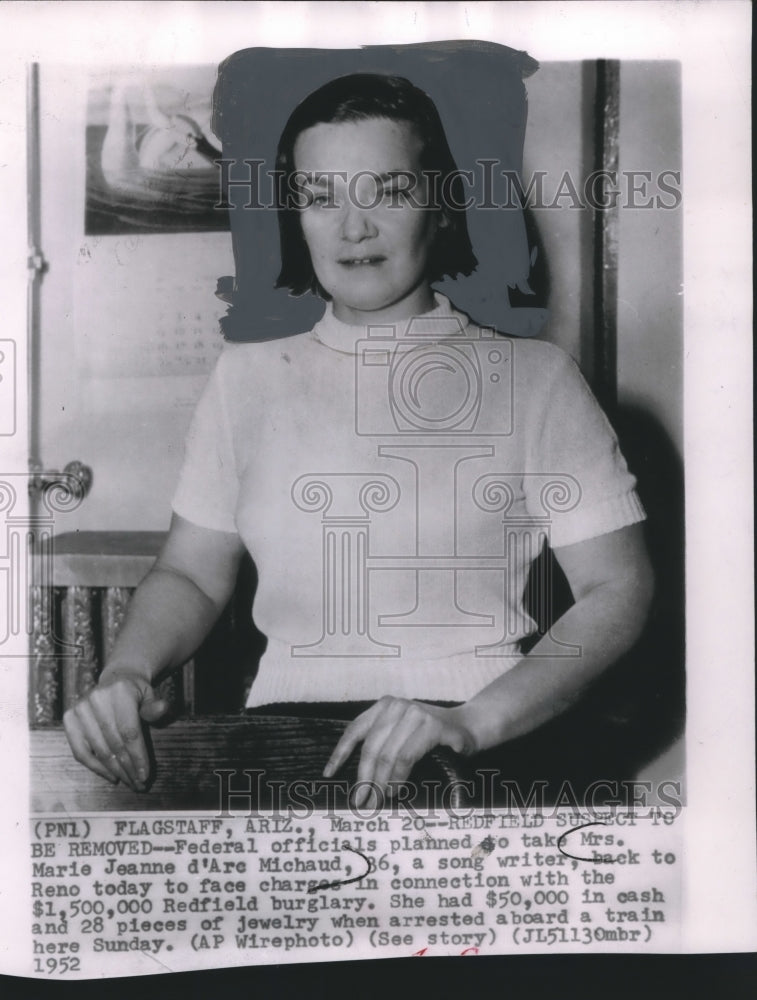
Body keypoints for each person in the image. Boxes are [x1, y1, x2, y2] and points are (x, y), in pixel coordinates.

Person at [64, 73, 653, 804]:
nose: (352, 226)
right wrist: (125, 671)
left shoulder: (534, 379)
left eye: (388, 191)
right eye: (321, 197)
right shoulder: (246, 379)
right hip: (281, 749)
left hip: (474, 750)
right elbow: (191, 572)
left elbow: (616, 588)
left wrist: (471, 722)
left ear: (438, 204)